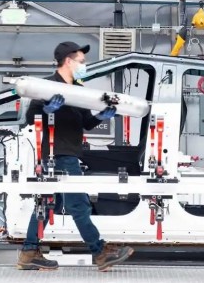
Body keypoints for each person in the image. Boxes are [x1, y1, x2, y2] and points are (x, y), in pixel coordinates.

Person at [18, 41, 134, 271]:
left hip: (69, 152)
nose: (84, 65)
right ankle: (99, 252)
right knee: (79, 204)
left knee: (48, 204)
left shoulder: (78, 90)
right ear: (68, 61)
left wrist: (103, 115)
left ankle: (29, 252)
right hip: (56, 153)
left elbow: (87, 124)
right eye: (81, 61)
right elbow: (30, 118)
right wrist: (46, 109)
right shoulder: (46, 86)